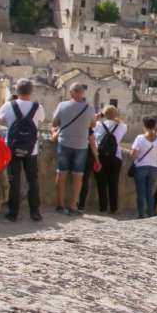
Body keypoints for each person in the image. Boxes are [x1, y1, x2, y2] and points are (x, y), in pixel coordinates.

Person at [0, 79, 45, 223]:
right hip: (31, 149)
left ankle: (13, 212)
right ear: (31, 91)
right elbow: (40, 121)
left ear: (17, 91)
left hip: (12, 148)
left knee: (14, 179)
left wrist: (8, 103)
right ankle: (35, 212)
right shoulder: (38, 107)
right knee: (32, 180)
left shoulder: (9, 105)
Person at [51, 83, 95, 216]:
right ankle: (72, 206)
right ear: (82, 93)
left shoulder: (62, 105)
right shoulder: (89, 108)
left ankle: (60, 205)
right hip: (81, 145)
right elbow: (92, 125)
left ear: (71, 93)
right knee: (78, 176)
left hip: (64, 143)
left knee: (61, 173)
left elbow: (54, 123)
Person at [129, 116, 157, 219]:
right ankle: (150, 214)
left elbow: (133, 155)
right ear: (155, 126)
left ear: (144, 126)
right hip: (154, 168)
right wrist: (156, 152)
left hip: (141, 167)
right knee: (149, 192)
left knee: (140, 192)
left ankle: (141, 214)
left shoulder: (140, 138)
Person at [92, 105, 127, 215]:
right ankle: (114, 208)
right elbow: (122, 122)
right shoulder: (121, 126)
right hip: (116, 157)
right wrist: (116, 117)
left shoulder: (98, 125)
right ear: (116, 114)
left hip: (100, 156)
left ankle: (103, 207)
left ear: (104, 114)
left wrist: (99, 115)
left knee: (101, 183)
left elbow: (91, 123)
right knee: (113, 183)